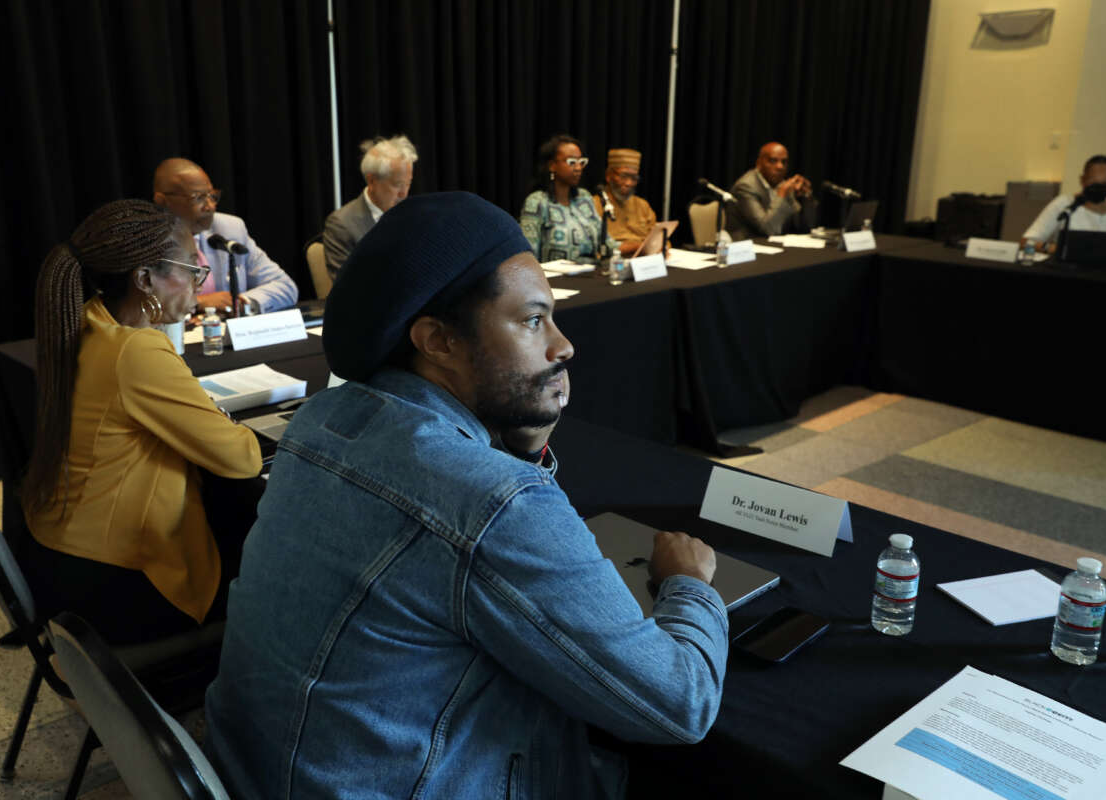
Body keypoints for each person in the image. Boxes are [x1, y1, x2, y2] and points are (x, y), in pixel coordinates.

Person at [205, 192, 728, 799]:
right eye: (533, 321)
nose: (564, 347)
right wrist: (689, 585)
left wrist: (524, 452)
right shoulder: (493, 502)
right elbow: (679, 707)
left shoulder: (321, 419)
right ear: (438, 341)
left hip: (261, 772)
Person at [21, 199, 262, 645]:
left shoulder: (90, 321)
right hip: (117, 582)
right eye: (191, 268)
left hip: (63, 559)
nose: (199, 282)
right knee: (280, 566)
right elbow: (242, 457)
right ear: (144, 278)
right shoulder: (136, 351)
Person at [153, 157, 298, 315]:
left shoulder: (229, 228)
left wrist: (240, 304)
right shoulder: (145, 240)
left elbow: (285, 286)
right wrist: (198, 303)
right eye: (198, 198)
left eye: (212, 196)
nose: (210, 206)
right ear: (162, 200)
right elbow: (140, 304)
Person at [323, 134, 418, 281]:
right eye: (397, 184)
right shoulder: (342, 225)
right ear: (372, 181)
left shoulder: (413, 214)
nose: (404, 193)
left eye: (408, 183)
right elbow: (346, 287)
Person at [519, 134, 618, 262]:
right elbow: (528, 254)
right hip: (555, 278)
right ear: (552, 165)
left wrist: (641, 246)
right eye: (571, 162)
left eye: (581, 162)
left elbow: (607, 244)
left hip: (591, 275)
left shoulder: (584, 198)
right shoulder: (537, 202)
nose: (578, 168)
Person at [1021, 155, 1106, 256]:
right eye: (1094, 182)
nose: (1099, 187)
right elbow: (1026, 242)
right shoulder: (1065, 205)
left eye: (1104, 183)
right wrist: (1056, 249)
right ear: (1082, 180)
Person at [726, 141, 817, 239]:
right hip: (747, 245)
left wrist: (805, 197)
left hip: (775, 245)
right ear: (759, 163)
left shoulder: (782, 184)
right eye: (773, 161)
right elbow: (768, 229)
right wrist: (781, 195)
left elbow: (805, 227)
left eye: (784, 162)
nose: (780, 166)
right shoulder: (745, 187)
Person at [593, 148, 660, 257]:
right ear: (608, 176)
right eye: (623, 176)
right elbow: (595, 247)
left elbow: (659, 237)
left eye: (634, 178)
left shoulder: (642, 205)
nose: (629, 183)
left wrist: (661, 246)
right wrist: (634, 247)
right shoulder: (593, 205)